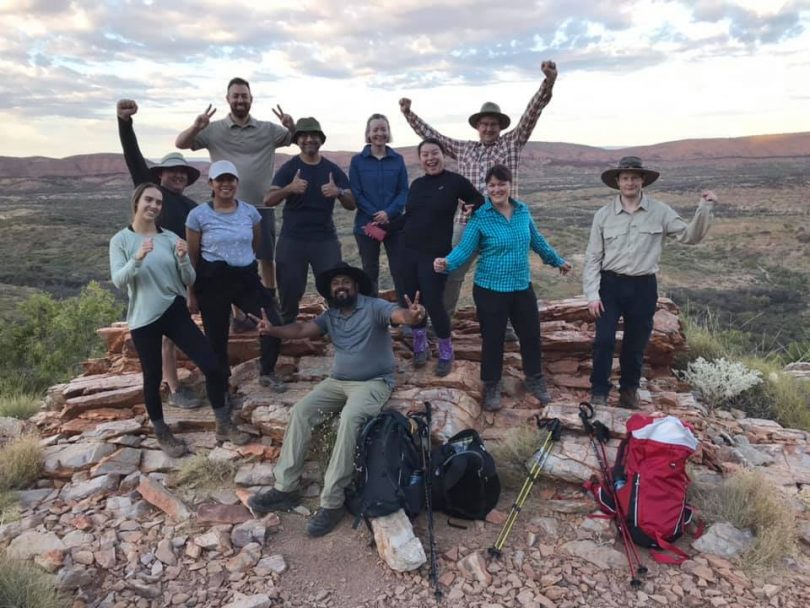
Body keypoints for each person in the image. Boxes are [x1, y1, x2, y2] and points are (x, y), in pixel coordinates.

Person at [246, 263, 427, 537]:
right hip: (337, 382)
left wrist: (415, 317)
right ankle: (286, 488)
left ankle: (332, 502)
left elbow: (399, 315)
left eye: (346, 282)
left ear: (356, 286)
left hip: (373, 382)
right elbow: (300, 330)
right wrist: (272, 331)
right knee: (301, 412)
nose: (340, 287)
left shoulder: (375, 307)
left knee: (351, 419)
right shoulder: (330, 315)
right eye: (335, 284)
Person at [400, 60, 558, 331]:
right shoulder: (464, 149)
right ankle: (441, 323)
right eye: (484, 124)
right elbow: (431, 136)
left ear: (499, 126)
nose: (488, 128)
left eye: (493, 124)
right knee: (451, 274)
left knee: (505, 273)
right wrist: (408, 113)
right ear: (478, 126)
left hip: (503, 223)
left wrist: (549, 82)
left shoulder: (512, 142)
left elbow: (532, 113)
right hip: (469, 223)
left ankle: (503, 327)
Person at [109, 183, 249, 457]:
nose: (153, 206)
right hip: (143, 318)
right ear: (137, 202)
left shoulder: (170, 238)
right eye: (148, 200)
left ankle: (223, 422)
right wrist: (137, 259)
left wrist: (184, 260)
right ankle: (162, 432)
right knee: (152, 377)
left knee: (211, 364)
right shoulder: (121, 241)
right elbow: (118, 281)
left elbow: (189, 280)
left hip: (174, 310)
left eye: (158, 202)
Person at [583, 157, 717, 409]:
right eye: (625, 178)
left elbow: (690, 236)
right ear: (617, 182)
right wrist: (592, 293)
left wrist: (705, 208)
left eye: (634, 177)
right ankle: (599, 391)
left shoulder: (660, 211)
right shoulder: (602, 215)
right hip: (609, 285)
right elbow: (592, 257)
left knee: (635, 343)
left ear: (642, 180)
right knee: (603, 341)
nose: (630, 182)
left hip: (643, 287)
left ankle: (629, 391)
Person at [434, 165, 571, 411]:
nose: (497, 189)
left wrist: (557, 260)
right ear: (487, 189)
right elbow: (465, 249)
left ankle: (534, 379)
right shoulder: (480, 216)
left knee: (530, 335)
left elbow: (536, 241)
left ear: (510, 185)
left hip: (520, 286)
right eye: (492, 185)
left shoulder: (522, 211)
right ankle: (492, 386)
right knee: (493, 340)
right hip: (490, 289)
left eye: (501, 184)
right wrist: (446, 263)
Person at [175, 77, 294, 324]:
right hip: (223, 208)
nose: (240, 100)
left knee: (265, 258)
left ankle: (269, 304)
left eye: (244, 96)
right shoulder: (213, 129)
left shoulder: (268, 129)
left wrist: (290, 126)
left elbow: (293, 139)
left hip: (260, 206)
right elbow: (182, 143)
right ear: (228, 99)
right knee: (227, 259)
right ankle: (237, 314)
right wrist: (197, 126)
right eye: (236, 96)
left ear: (251, 99)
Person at [116, 98, 202, 409]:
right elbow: (133, 158)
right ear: (160, 175)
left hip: (184, 273)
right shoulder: (153, 193)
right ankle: (174, 387)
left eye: (183, 173)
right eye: (172, 172)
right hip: (156, 279)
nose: (178, 176)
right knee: (166, 335)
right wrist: (125, 123)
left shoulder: (192, 207)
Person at [185, 160, 286, 393]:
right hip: (213, 281)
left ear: (237, 183)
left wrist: (241, 258)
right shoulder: (198, 215)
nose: (226, 184)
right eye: (220, 179)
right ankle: (222, 383)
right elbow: (192, 257)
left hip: (245, 278)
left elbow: (255, 242)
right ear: (211, 183)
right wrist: (191, 292)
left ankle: (267, 371)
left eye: (230, 179)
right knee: (216, 336)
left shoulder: (250, 212)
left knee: (272, 321)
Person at [390, 138, 483, 376]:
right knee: (413, 301)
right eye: (425, 155)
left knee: (434, 302)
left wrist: (472, 207)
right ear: (420, 159)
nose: (430, 158)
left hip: (435, 255)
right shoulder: (418, 184)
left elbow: (478, 200)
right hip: (407, 251)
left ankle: (445, 350)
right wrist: (384, 227)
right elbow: (409, 217)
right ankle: (420, 345)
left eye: (434, 153)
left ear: (443, 155)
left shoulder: (455, 182)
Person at [264, 117, 356, 323]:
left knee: (336, 285)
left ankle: (341, 328)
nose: (309, 140)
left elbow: (352, 203)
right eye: (304, 136)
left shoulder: (332, 169)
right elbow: (268, 199)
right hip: (292, 239)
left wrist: (338, 191)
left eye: (314, 136)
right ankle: (287, 331)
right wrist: (289, 189)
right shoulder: (289, 168)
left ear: (320, 140)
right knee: (289, 288)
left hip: (325, 239)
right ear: (297, 140)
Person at [348, 113, 408, 300]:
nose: (379, 133)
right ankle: (372, 315)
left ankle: (405, 314)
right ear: (368, 133)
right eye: (375, 129)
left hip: (394, 224)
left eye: (383, 129)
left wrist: (388, 213)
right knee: (370, 270)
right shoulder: (357, 161)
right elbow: (356, 193)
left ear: (388, 132)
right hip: (367, 225)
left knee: (400, 269)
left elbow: (403, 191)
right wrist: (376, 214)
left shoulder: (397, 159)